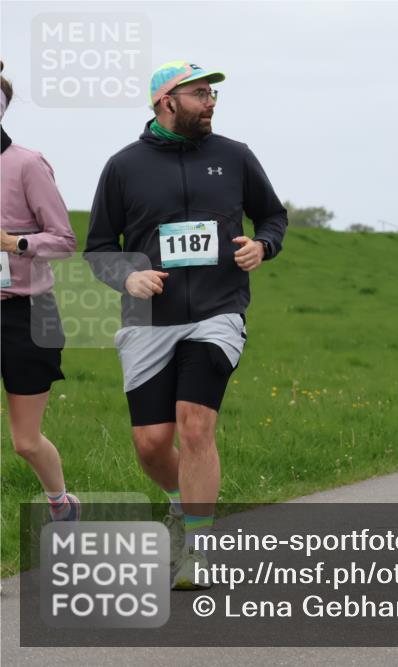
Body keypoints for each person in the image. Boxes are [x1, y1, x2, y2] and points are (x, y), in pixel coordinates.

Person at [84, 61, 288, 589]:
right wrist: (128, 278)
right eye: (200, 94)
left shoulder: (235, 156)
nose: (211, 102)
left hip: (218, 312)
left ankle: (197, 546)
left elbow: (273, 215)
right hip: (148, 320)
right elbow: (100, 249)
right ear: (166, 102)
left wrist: (262, 245)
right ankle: (181, 502)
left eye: (212, 94)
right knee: (152, 444)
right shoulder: (123, 166)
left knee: (195, 422)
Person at [0, 61, 80, 522]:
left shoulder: (26, 165)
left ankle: (61, 504)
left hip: (27, 314)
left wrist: (17, 242)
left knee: (25, 442)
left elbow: (65, 240)